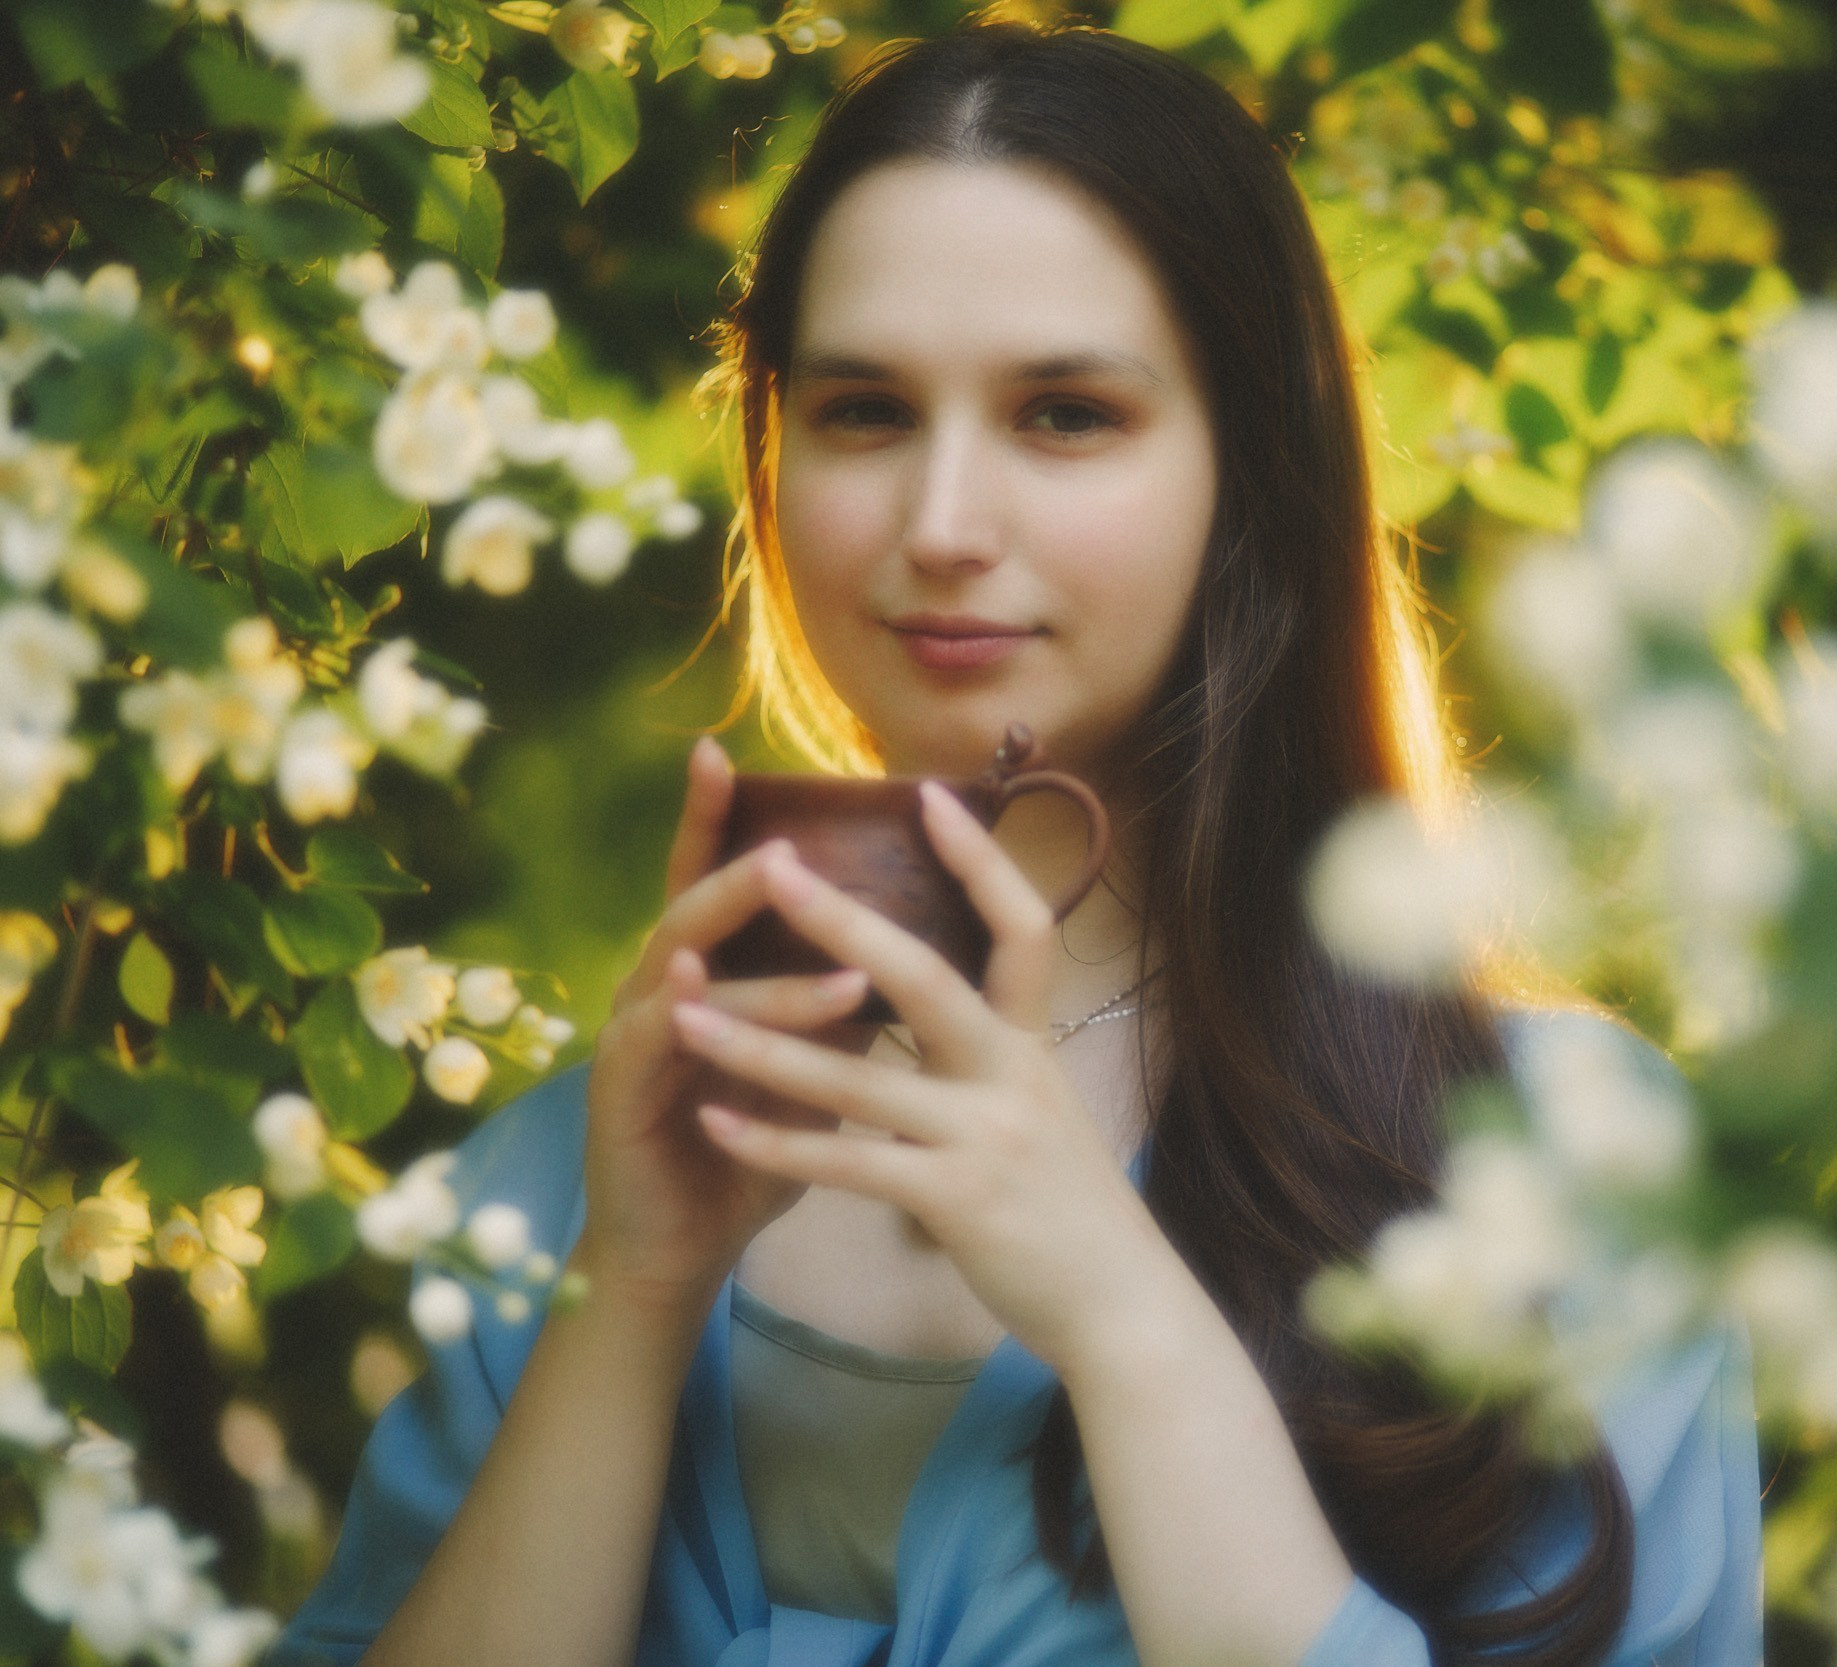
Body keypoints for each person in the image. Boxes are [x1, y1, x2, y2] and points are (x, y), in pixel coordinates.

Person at [271, 18, 1760, 1667]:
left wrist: (1115, 1306)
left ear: (1251, 465)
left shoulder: (1555, 1164)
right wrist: (629, 1301)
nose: (942, 527)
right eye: (862, 412)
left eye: (1063, 414)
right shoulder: (569, 1176)